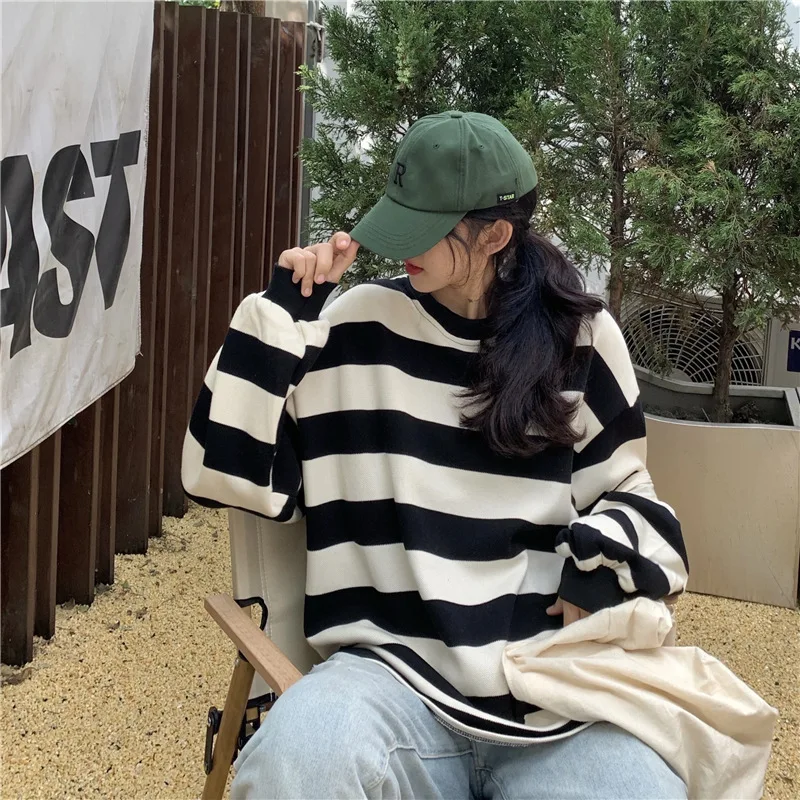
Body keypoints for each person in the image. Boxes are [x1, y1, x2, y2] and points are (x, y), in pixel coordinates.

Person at [182, 111, 689, 799]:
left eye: (425, 225)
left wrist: (599, 568)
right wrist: (279, 319)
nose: (400, 244)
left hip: (553, 697)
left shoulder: (581, 339)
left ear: (495, 235)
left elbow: (632, 494)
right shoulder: (353, 327)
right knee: (295, 764)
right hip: (384, 684)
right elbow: (218, 474)